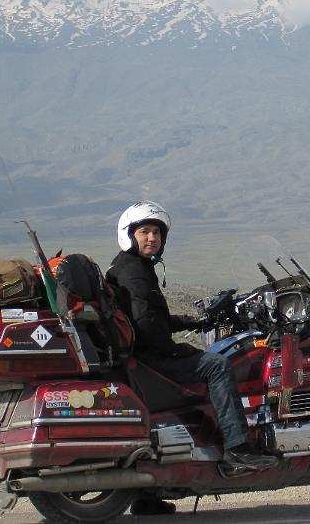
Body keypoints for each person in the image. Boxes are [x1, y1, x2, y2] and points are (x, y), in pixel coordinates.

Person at [106, 201, 276, 512]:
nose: (151, 238)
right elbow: (147, 325)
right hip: (151, 358)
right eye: (144, 232)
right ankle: (238, 448)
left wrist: (193, 322)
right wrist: (173, 348)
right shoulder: (134, 273)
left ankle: (148, 496)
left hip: (138, 356)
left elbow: (150, 319)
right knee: (218, 364)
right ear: (129, 236)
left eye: (156, 233)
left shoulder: (127, 268)